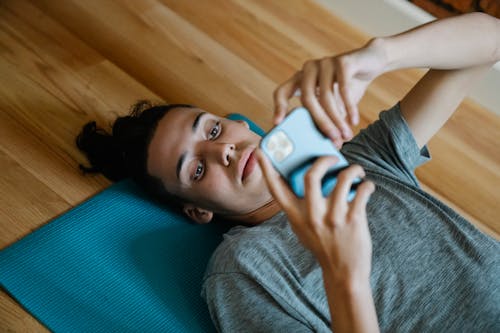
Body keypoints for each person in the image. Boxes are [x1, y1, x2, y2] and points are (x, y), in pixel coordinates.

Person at [76, 13, 500, 332]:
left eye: (214, 129)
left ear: (240, 125)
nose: (223, 150)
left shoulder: (359, 162)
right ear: (196, 212)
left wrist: (379, 55)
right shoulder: (244, 269)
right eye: (198, 167)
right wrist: (345, 277)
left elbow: (490, 40)